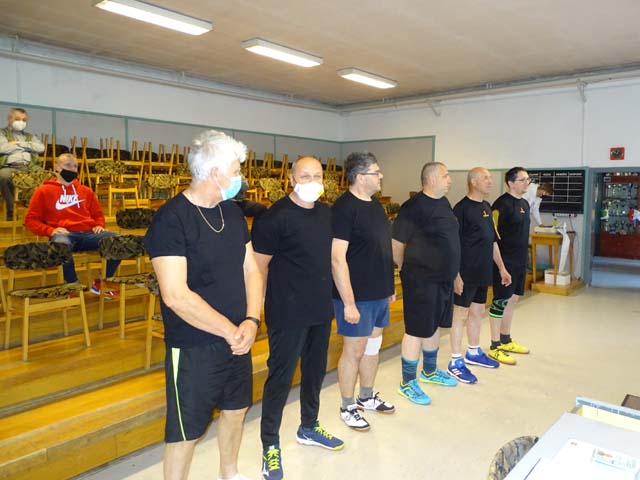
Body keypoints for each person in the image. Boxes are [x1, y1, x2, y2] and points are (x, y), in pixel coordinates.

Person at [144, 130, 262, 480]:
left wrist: (252, 320)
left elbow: (251, 270)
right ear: (215, 172)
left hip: (238, 338)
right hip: (194, 345)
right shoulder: (171, 219)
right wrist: (230, 331)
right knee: (186, 432)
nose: (240, 177)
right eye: (236, 170)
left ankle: (230, 473)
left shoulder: (232, 214)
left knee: (236, 410)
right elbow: (175, 295)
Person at [252, 156, 343, 480]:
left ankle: (309, 426)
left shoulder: (326, 214)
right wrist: (258, 309)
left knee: (315, 372)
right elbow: (258, 268)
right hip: (287, 312)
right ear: (290, 179)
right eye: (305, 176)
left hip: (319, 308)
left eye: (317, 175)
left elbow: (330, 259)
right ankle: (270, 445)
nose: (312, 181)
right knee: (280, 379)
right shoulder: (273, 218)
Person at [332, 151, 396, 432]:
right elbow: (337, 258)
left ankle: (366, 397)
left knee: (372, 347)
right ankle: (347, 406)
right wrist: (348, 302)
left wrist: (388, 287)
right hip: (356, 297)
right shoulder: (344, 208)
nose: (381, 176)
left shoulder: (375, 205)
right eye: (376, 172)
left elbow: (382, 248)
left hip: (378, 293)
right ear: (360, 177)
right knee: (354, 351)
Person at [391, 162, 460, 406]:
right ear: (431, 179)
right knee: (416, 330)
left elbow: (450, 241)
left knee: (434, 326)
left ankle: (429, 372)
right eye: (446, 175)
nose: (450, 179)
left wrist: (455, 274)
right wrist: (403, 271)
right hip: (420, 280)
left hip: (443, 279)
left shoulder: (444, 203)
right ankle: (407, 382)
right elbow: (396, 244)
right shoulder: (414, 207)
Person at [447, 167, 511, 384]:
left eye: (490, 178)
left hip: (483, 272)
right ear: (473, 182)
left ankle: (473, 352)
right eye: (485, 178)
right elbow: (453, 245)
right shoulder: (461, 209)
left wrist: (502, 268)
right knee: (460, 315)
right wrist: (456, 275)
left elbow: (492, 241)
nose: (490, 181)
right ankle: (455, 361)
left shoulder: (486, 207)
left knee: (477, 312)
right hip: (465, 273)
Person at [25, 153, 119, 295]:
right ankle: (72, 286)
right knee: (61, 244)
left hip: (89, 234)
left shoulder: (86, 191)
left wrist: (99, 224)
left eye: (75, 166)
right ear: (57, 167)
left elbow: (98, 214)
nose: (72, 169)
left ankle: (101, 283)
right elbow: (31, 220)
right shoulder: (43, 191)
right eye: (68, 165)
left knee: (119, 240)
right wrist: (50, 231)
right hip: (65, 235)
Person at [487, 167, 532, 366]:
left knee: (512, 300)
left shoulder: (524, 204)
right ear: (510, 183)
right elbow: (492, 237)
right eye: (522, 179)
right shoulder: (501, 205)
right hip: (504, 263)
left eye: (528, 179)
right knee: (500, 301)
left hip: (520, 262)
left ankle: (505, 339)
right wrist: (501, 267)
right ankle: (495, 345)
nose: (527, 183)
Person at [0, 107, 44, 220]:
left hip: (29, 167)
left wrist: (18, 143)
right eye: (17, 119)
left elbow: (40, 148)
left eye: (24, 120)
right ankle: (11, 212)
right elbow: (3, 148)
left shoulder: (30, 136)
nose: (21, 122)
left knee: (48, 178)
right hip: (10, 167)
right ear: (10, 119)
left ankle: (39, 214)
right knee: (4, 176)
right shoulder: (2, 133)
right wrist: (29, 146)